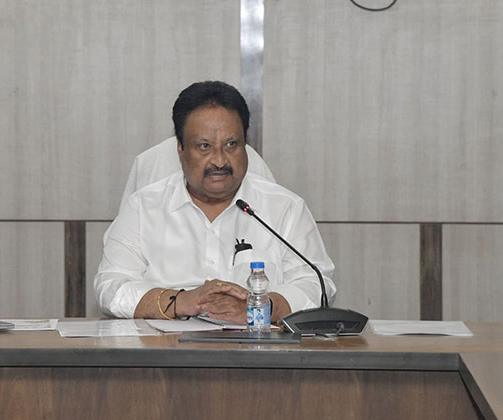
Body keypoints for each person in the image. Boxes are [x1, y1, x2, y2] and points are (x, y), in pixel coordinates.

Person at [94, 81, 335, 323]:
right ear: (180, 148)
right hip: (165, 345)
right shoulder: (142, 208)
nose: (219, 161)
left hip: (256, 344)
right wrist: (181, 301)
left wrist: (259, 306)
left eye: (231, 145)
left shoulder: (285, 208)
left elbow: (317, 284)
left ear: (245, 144)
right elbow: (110, 287)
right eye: (205, 147)